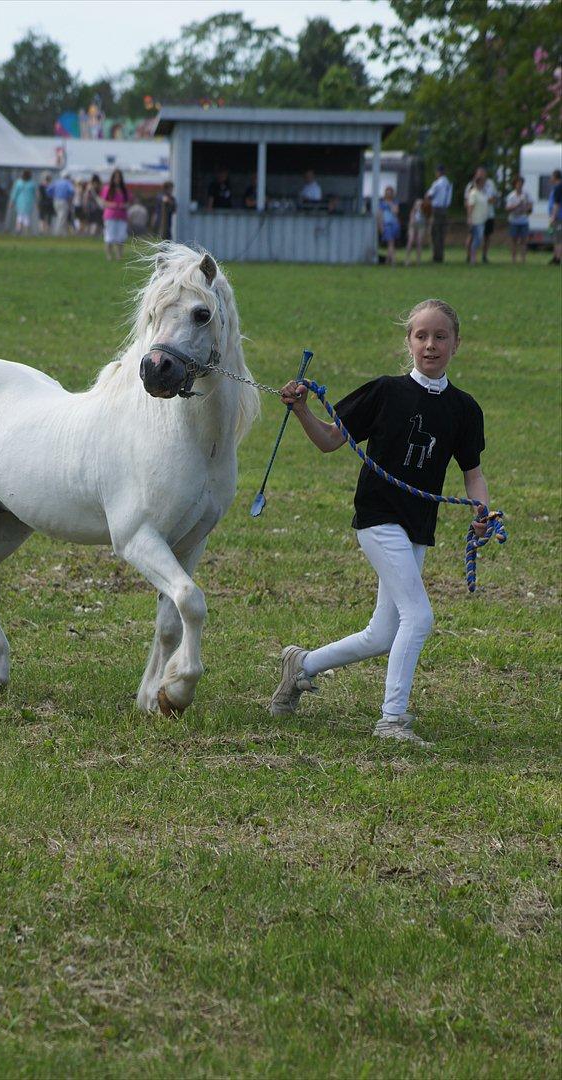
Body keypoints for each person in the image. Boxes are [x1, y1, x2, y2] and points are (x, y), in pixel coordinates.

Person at [270, 299, 490, 746]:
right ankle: (392, 720)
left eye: (441, 337)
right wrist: (301, 411)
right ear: (408, 342)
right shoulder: (385, 391)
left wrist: (482, 510)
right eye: (421, 336)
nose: (431, 345)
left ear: (456, 344)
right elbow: (332, 440)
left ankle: (302, 665)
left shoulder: (465, 409)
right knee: (420, 615)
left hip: (417, 526)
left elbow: (473, 474)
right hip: (377, 519)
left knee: (384, 633)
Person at [464, 167, 497, 263]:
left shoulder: (490, 184)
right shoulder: (471, 187)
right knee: (473, 236)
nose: (481, 176)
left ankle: (484, 256)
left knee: (486, 236)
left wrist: (490, 200)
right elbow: (467, 202)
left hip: (488, 214)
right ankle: (469, 256)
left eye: (483, 174)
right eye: (479, 174)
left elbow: (494, 198)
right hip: (475, 217)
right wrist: (469, 215)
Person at [425, 165, 452, 263]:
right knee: (442, 233)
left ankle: (436, 256)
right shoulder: (449, 183)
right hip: (445, 209)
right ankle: (441, 255)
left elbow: (429, 195)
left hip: (436, 209)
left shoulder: (437, 183)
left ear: (438, 172)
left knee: (434, 233)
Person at [101, 168, 129, 260]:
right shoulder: (107, 188)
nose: (117, 179)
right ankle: (109, 256)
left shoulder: (124, 190)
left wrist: (123, 205)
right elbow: (103, 202)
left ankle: (119, 256)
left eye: (119, 177)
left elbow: (128, 202)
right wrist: (114, 205)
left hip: (122, 216)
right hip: (111, 215)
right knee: (109, 236)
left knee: (121, 237)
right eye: (116, 177)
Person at [505, 175, 532, 263]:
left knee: (524, 240)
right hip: (514, 220)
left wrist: (526, 208)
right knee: (514, 240)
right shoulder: (511, 196)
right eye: (518, 183)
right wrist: (517, 205)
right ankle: (513, 259)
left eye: (521, 183)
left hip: (524, 220)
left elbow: (530, 206)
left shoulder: (526, 194)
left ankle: (523, 259)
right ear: (515, 184)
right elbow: (507, 208)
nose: (520, 185)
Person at [466, 170, 489, 266]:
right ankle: (472, 258)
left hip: (482, 220)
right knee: (477, 239)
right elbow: (470, 206)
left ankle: (474, 258)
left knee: (478, 239)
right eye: (482, 182)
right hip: (475, 220)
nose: (484, 184)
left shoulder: (482, 193)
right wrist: (469, 218)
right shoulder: (473, 193)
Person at [377, 185, 400, 265]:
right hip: (386, 224)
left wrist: (390, 205)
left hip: (394, 224)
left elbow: (396, 212)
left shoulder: (395, 202)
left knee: (391, 242)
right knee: (390, 242)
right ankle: (393, 261)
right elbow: (379, 215)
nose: (389, 194)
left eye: (390, 193)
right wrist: (380, 226)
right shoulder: (381, 203)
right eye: (387, 193)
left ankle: (387, 261)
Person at [10, 169, 37, 235]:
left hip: (22, 202)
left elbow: (14, 193)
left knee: (21, 217)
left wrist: (12, 201)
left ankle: (20, 231)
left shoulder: (20, 183)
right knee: (24, 217)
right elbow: (36, 194)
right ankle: (24, 232)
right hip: (26, 202)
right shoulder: (31, 183)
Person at [405, 197, 428, 266]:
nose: (419, 206)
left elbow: (427, 219)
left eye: (420, 204)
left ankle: (418, 260)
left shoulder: (425, 211)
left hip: (421, 226)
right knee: (411, 240)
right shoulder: (413, 212)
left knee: (419, 242)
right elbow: (412, 221)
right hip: (413, 226)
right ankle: (407, 259)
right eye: (417, 204)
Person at [549, 168, 562, 266]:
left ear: (555, 177)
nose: (550, 178)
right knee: (556, 238)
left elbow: (557, 204)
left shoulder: (558, 188)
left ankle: (557, 258)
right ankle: (555, 257)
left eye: (552, 176)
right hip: (558, 217)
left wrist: (553, 216)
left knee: (558, 239)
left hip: (559, 217)